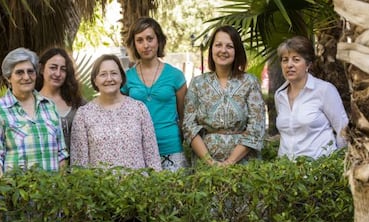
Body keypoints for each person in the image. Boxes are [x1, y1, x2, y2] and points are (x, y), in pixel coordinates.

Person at [183, 26, 266, 166]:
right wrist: (210, 162)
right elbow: (189, 126)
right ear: (211, 50)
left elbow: (256, 127)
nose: (223, 50)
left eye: (229, 46)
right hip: (205, 167)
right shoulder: (198, 83)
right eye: (218, 45)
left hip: (244, 164)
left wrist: (229, 162)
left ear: (237, 51)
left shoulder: (249, 82)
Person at [0, 47, 69, 179]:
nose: (26, 77)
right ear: (8, 78)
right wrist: (6, 190)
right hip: (18, 196)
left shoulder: (49, 106)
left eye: (30, 71)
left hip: (52, 194)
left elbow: (61, 153)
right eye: (19, 72)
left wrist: (60, 187)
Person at [70, 54, 161, 171]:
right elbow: (79, 164)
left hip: (139, 186)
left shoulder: (139, 109)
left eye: (114, 73)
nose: (109, 79)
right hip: (100, 188)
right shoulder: (83, 115)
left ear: (121, 77)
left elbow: (152, 156)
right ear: (95, 80)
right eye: (103, 74)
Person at [122, 17, 188, 172]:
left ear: (158, 40)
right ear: (134, 44)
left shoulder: (175, 76)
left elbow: (184, 117)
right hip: (138, 150)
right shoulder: (126, 78)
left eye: (150, 39)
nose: (145, 45)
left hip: (171, 148)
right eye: (140, 40)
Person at [275, 36, 348, 160]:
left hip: (319, 170)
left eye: (296, 60)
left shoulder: (324, 90)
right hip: (286, 171)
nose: (289, 65)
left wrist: (338, 163)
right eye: (285, 60)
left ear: (308, 64)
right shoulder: (279, 95)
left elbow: (343, 130)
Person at [35, 47, 86, 152]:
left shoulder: (78, 103)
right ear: (41, 69)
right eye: (53, 67)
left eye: (63, 69)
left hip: (77, 167)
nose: (58, 74)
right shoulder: (32, 102)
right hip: (44, 166)